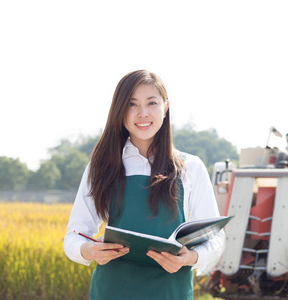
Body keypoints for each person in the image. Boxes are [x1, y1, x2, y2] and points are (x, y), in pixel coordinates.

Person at [64, 70, 225, 299]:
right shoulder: (100, 167)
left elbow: (215, 238)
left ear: (165, 108)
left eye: (151, 103)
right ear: (119, 110)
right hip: (113, 290)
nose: (143, 113)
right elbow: (73, 236)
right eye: (132, 104)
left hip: (171, 291)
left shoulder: (190, 167)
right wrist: (89, 250)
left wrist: (190, 258)